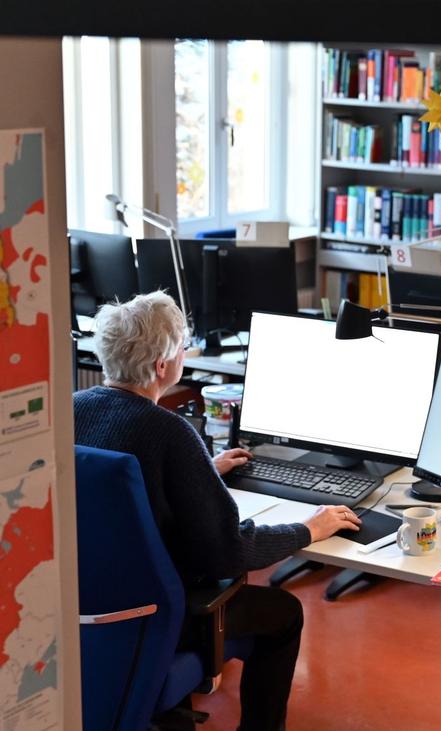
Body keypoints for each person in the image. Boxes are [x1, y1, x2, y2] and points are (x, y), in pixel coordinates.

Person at [73, 291, 360, 731]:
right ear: (162, 366)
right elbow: (228, 551)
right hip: (166, 618)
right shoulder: (170, 433)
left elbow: (119, 483)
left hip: (82, 608)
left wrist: (201, 469)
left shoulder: (71, 411)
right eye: (182, 348)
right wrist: (309, 529)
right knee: (283, 613)